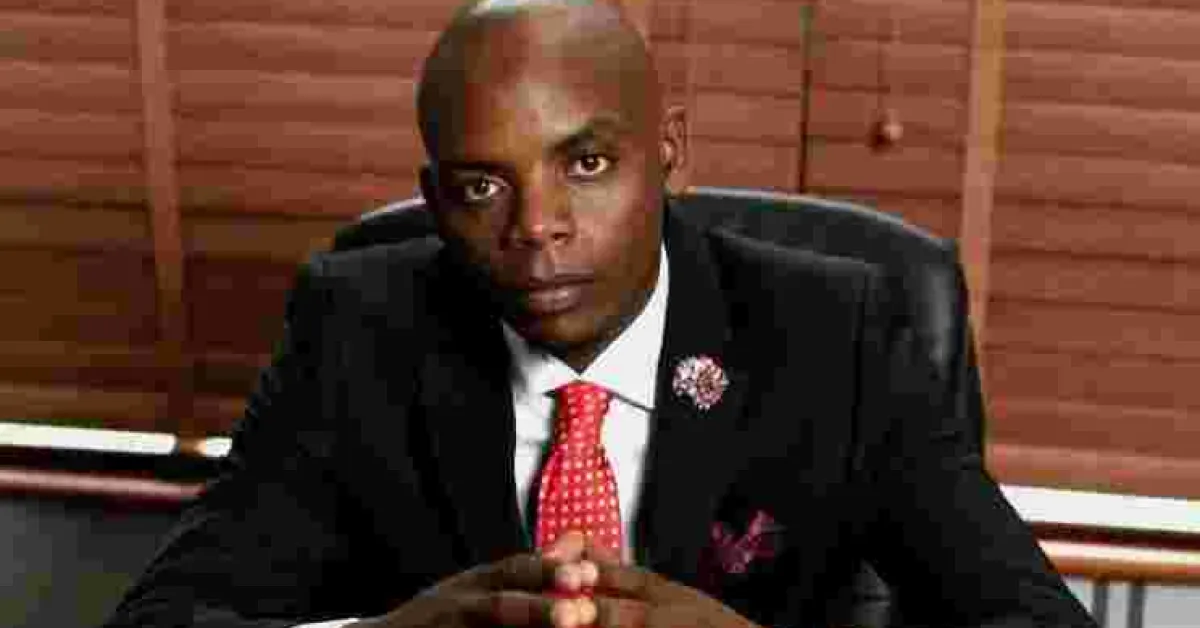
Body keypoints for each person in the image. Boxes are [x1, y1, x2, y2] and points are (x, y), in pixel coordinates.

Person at [105, 1, 1097, 627]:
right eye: (482, 187)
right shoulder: (357, 330)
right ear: (435, 197)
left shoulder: (837, 335)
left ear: (668, 152)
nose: (537, 227)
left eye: (585, 163)